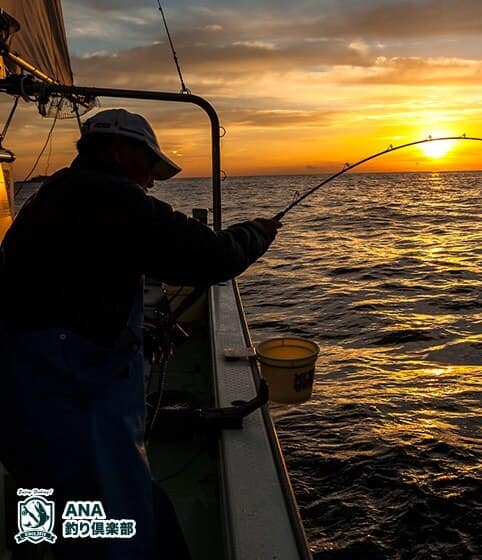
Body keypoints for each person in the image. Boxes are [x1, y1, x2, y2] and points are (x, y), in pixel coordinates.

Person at [0, 108, 280, 559]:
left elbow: (65, 287)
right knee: (108, 531)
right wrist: (257, 232)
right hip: (76, 399)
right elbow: (212, 257)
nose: (151, 180)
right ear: (119, 150)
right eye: (149, 165)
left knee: (52, 501)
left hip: (25, 395)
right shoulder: (113, 199)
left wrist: (132, 328)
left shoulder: (55, 195)